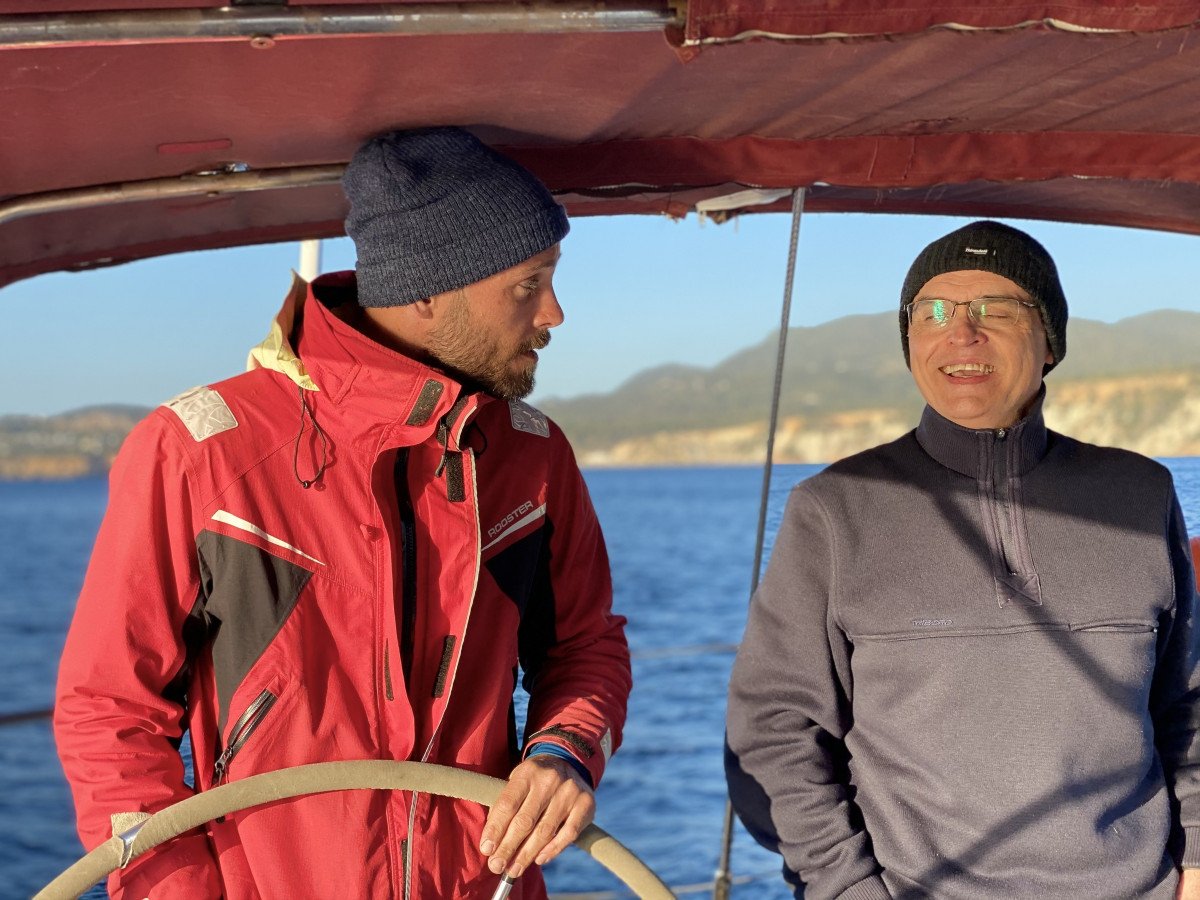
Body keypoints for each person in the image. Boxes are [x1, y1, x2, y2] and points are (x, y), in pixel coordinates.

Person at [53, 127, 631, 899]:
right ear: (427, 293)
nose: (554, 313)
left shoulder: (533, 454)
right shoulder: (197, 451)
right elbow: (109, 711)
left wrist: (563, 752)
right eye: (529, 284)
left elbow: (584, 647)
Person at [725, 220, 1200, 899]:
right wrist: (846, 889)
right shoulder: (834, 508)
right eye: (934, 312)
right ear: (910, 341)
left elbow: (1189, 705)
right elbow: (773, 734)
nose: (962, 333)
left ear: (1051, 343)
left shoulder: (1139, 494)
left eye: (996, 310)